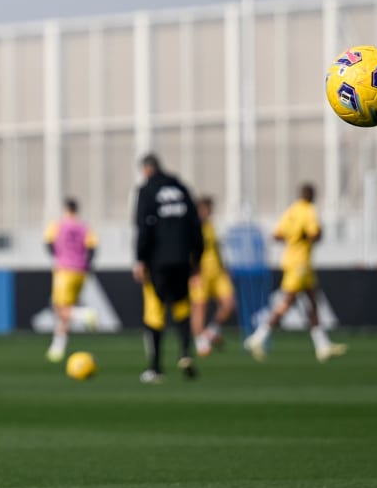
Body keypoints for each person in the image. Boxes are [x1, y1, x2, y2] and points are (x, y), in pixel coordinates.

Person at [244, 183, 347, 363]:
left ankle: (322, 346)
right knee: (288, 301)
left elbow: (277, 235)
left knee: (312, 301)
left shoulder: (291, 211)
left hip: (292, 261)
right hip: (300, 263)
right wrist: (311, 235)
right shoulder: (308, 210)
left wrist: (293, 238)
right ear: (312, 196)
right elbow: (315, 235)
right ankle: (258, 337)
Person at [132, 154, 203, 383]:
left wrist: (140, 259)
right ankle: (184, 353)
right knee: (182, 306)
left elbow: (144, 227)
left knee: (155, 310)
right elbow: (195, 225)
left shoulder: (147, 190)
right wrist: (196, 259)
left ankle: (155, 368)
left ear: (146, 169)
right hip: (183, 258)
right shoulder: (182, 188)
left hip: (158, 260)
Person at [43, 197, 97, 363]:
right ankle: (58, 347)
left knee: (61, 309)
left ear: (66, 209)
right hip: (80, 271)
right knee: (65, 311)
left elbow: (48, 244)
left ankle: (83, 315)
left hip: (64, 271)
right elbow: (92, 248)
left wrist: (60, 257)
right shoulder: (84, 227)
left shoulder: (58, 225)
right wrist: (85, 264)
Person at [190, 196, 236, 357]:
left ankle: (211, 331)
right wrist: (192, 273)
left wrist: (224, 267)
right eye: (206, 209)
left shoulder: (210, 226)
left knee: (229, 304)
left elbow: (216, 248)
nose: (208, 213)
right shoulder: (192, 227)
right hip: (200, 273)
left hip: (217, 272)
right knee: (200, 307)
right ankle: (200, 341)